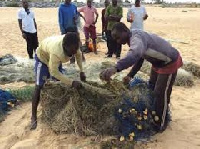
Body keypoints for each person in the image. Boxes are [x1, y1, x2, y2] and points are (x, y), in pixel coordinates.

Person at [100, 22, 183, 131]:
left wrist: (115, 68)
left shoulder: (136, 38)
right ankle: (157, 112)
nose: (117, 41)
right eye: (115, 39)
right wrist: (130, 75)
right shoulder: (132, 37)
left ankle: (160, 123)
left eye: (117, 37)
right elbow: (140, 58)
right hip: (157, 63)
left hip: (169, 61)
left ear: (125, 31)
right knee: (152, 86)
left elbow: (134, 54)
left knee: (160, 93)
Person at [31, 33, 86, 130]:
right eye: (72, 50)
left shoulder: (74, 46)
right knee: (39, 85)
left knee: (58, 84)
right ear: (65, 47)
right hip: (43, 58)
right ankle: (33, 116)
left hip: (55, 59)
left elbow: (78, 56)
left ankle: (56, 109)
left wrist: (82, 71)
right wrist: (71, 82)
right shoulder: (57, 52)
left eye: (76, 49)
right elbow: (54, 72)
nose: (74, 52)